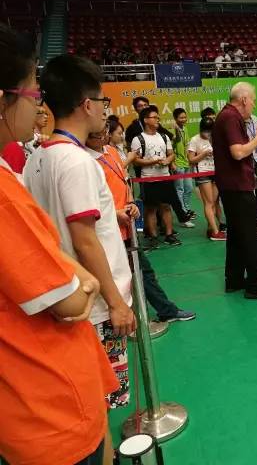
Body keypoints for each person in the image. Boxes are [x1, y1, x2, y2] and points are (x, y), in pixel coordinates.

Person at [0, 23, 119, 465]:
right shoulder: (74, 162)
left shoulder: (36, 160)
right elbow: (82, 249)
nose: (38, 105)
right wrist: (104, 293)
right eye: (32, 94)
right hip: (48, 393)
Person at [23, 53, 136, 463]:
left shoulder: (40, 157)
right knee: (98, 401)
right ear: (87, 105)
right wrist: (117, 302)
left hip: (70, 299)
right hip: (97, 306)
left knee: (90, 401)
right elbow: (85, 240)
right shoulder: (76, 161)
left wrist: (113, 214)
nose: (105, 109)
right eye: (102, 101)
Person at [86, 126, 197, 321]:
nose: (103, 135)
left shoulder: (111, 152)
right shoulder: (85, 161)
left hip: (126, 228)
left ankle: (163, 311)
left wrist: (130, 202)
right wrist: (114, 213)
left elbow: (124, 180)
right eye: (98, 133)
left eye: (106, 130)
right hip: (106, 232)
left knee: (143, 271)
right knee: (122, 275)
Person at [212, 82, 257, 300]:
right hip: (237, 185)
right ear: (243, 99)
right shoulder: (231, 117)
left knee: (236, 235)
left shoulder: (227, 116)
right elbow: (238, 152)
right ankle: (255, 285)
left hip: (231, 185)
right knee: (251, 235)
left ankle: (234, 279)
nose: (253, 105)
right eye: (252, 100)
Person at [130, 106, 183, 247]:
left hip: (165, 177)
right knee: (151, 209)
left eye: (158, 117)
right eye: (154, 117)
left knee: (166, 206)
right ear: (146, 120)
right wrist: (152, 161)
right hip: (148, 178)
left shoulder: (164, 137)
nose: (158, 119)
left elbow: (171, 154)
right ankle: (153, 237)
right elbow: (135, 160)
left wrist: (167, 160)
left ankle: (169, 235)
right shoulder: (138, 139)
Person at [189, 118, 226, 240]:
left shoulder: (215, 138)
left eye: (210, 131)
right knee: (209, 202)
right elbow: (191, 159)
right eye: (206, 131)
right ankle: (215, 232)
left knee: (214, 201)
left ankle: (210, 228)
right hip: (202, 173)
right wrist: (203, 154)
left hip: (215, 172)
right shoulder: (195, 140)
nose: (208, 134)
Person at [172, 107, 196, 221]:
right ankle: (182, 212)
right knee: (179, 189)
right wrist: (172, 163)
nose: (183, 119)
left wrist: (190, 160)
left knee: (189, 188)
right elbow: (173, 144)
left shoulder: (185, 129)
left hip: (186, 163)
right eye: (181, 118)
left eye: (185, 117)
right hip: (178, 164)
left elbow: (187, 145)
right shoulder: (172, 130)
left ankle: (186, 209)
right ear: (175, 118)